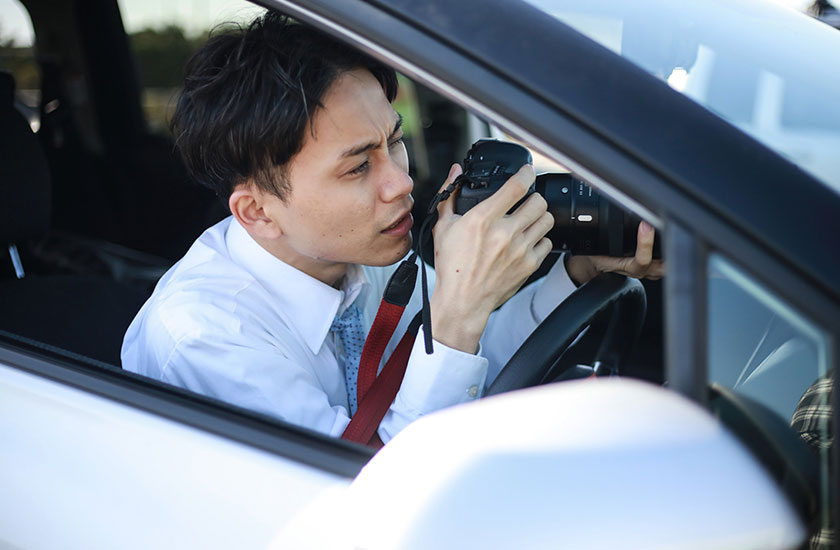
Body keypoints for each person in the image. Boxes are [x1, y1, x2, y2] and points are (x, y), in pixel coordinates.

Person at [121, 13, 661, 444]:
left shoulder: (365, 253)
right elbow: (359, 505)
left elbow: (468, 363)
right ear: (258, 212)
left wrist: (579, 272)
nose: (401, 181)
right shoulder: (205, 338)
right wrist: (457, 313)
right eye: (359, 166)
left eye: (394, 142)